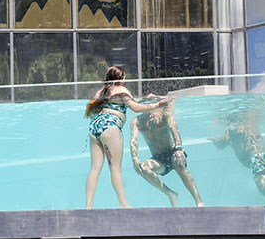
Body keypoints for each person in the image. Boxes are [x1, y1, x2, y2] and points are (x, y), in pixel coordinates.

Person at [85, 65, 168, 208]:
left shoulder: (100, 92)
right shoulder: (121, 90)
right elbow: (135, 107)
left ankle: (88, 205)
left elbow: (92, 109)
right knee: (115, 168)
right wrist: (157, 104)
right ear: (121, 78)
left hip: (95, 126)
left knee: (94, 168)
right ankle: (124, 204)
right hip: (110, 127)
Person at [130, 99, 204, 206]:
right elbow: (134, 140)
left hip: (173, 152)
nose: (150, 112)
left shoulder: (165, 114)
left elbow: (175, 131)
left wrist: (178, 148)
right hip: (158, 159)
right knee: (143, 167)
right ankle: (170, 193)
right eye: (147, 106)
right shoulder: (137, 121)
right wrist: (134, 158)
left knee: (179, 164)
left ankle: (198, 201)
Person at [211, 115, 265, 198]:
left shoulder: (231, 128)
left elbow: (220, 145)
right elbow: (244, 144)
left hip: (258, 159)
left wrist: (214, 139)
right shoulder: (248, 125)